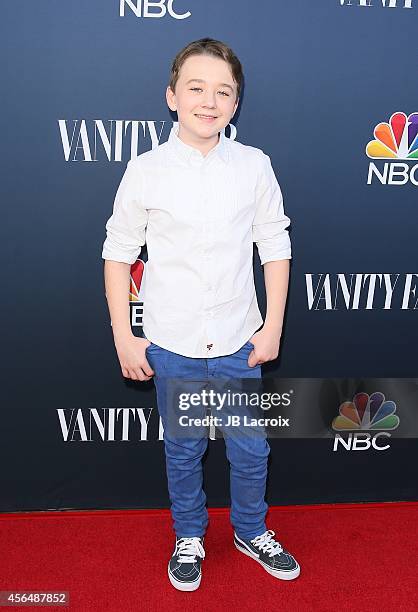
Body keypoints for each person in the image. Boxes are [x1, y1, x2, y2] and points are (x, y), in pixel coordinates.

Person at [101, 37, 300, 591]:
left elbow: (274, 245)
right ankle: (189, 534)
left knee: (251, 450)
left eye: (223, 91)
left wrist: (272, 326)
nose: (208, 101)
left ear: (236, 104)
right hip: (173, 342)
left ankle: (251, 529)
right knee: (184, 452)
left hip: (239, 341)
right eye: (196, 88)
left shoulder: (254, 166)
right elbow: (118, 254)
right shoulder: (145, 171)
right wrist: (125, 336)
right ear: (172, 96)